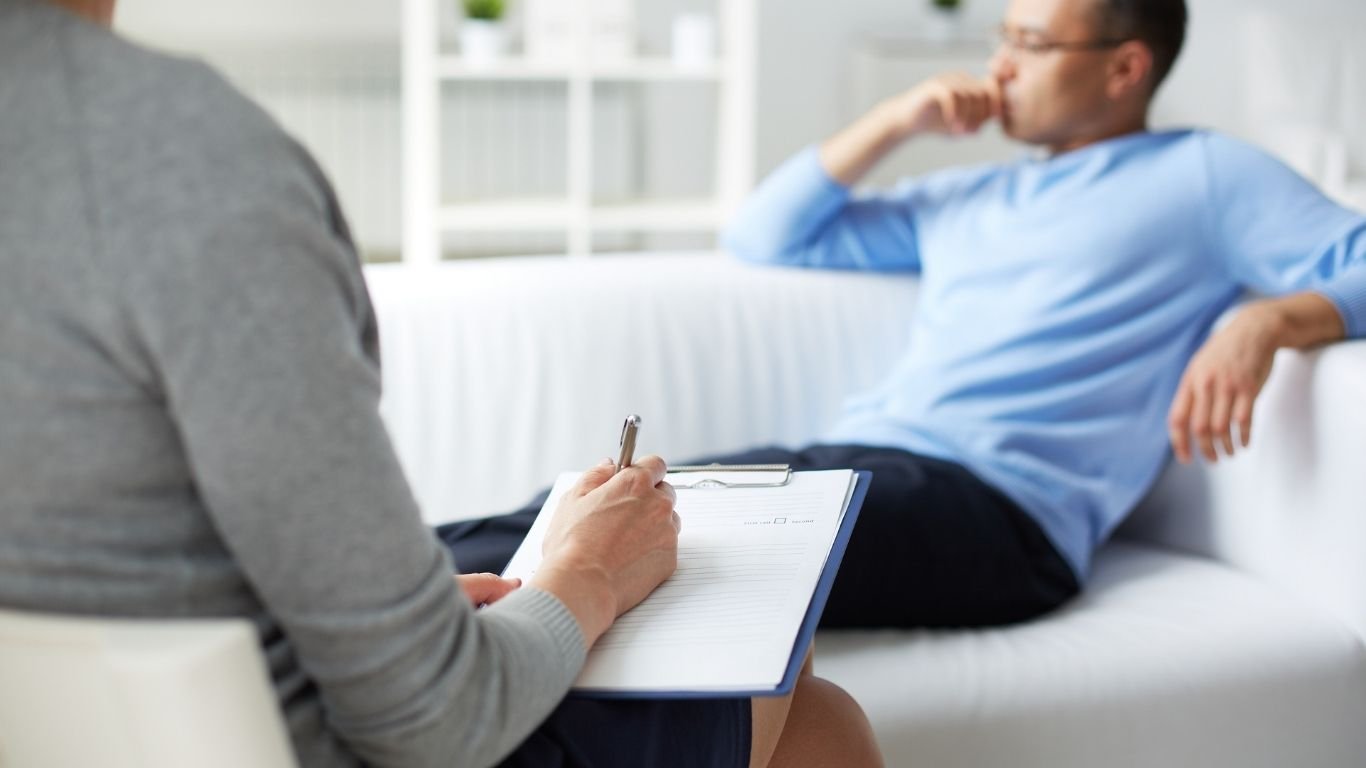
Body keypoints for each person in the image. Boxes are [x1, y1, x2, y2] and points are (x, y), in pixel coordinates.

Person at [0, 1, 882, 766]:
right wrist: (586, 574)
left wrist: (402, 620)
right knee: (784, 670)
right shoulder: (185, 164)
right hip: (300, 743)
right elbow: (434, 720)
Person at [441, 0, 1366, 633]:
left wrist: (1269, 322)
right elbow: (765, 234)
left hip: (1004, 521)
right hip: (881, 465)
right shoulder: (973, 197)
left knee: (653, 528)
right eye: (1002, 35)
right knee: (595, 507)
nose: (1000, 64)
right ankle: (380, 592)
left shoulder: (1204, 176)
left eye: (1033, 44)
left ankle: (380, 614)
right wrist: (896, 120)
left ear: (1127, 66)